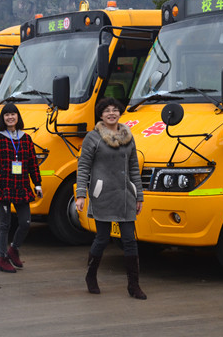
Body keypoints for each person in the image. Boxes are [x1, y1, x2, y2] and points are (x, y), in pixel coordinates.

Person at [75, 97, 146, 299]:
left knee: (130, 240)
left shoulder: (128, 137)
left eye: (115, 110)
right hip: (103, 195)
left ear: (120, 113)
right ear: (101, 115)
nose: (111, 113)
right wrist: (81, 194)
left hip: (125, 196)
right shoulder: (93, 137)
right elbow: (83, 167)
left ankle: (134, 286)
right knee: (102, 238)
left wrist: (139, 196)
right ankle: (91, 276)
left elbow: (134, 168)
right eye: (107, 111)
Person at [0, 103, 42, 273]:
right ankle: (2, 258)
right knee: (5, 224)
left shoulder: (26, 138)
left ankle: (14, 249)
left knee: (25, 223)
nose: (10, 117)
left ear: (18, 117)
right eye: (7, 115)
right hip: (3, 187)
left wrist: (37, 184)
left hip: (21, 186)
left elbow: (33, 163)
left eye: (13, 114)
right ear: (2, 118)